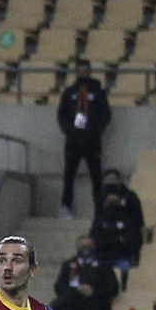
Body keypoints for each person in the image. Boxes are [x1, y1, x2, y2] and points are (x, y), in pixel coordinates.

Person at [56, 59, 110, 220]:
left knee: (96, 177)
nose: (83, 74)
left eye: (85, 71)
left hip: (92, 141)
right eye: (80, 71)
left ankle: (100, 210)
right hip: (73, 141)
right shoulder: (69, 92)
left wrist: (96, 131)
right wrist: (69, 131)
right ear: (76, 73)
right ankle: (66, 207)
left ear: (89, 72)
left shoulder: (98, 92)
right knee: (69, 176)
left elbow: (105, 115)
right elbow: (62, 114)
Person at [52, 236, 118, 310]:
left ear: (94, 247)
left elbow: (113, 288)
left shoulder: (103, 265)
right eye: (83, 246)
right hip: (72, 305)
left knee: (67, 300)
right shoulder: (69, 265)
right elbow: (59, 287)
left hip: (94, 305)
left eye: (88, 246)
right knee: (65, 309)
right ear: (77, 248)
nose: (86, 249)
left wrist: (93, 290)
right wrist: (75, 290)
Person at [89, 187, 143, 271]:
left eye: (115, 202)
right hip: (102, 257)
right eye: (110, 202)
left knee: (127, 270)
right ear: (105, 203)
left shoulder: (128, 222)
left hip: (121, 257)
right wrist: (117, 240)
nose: (112, 204)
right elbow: (95, 240)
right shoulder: (98, 222)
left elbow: (131, 241)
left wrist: (108, 241)